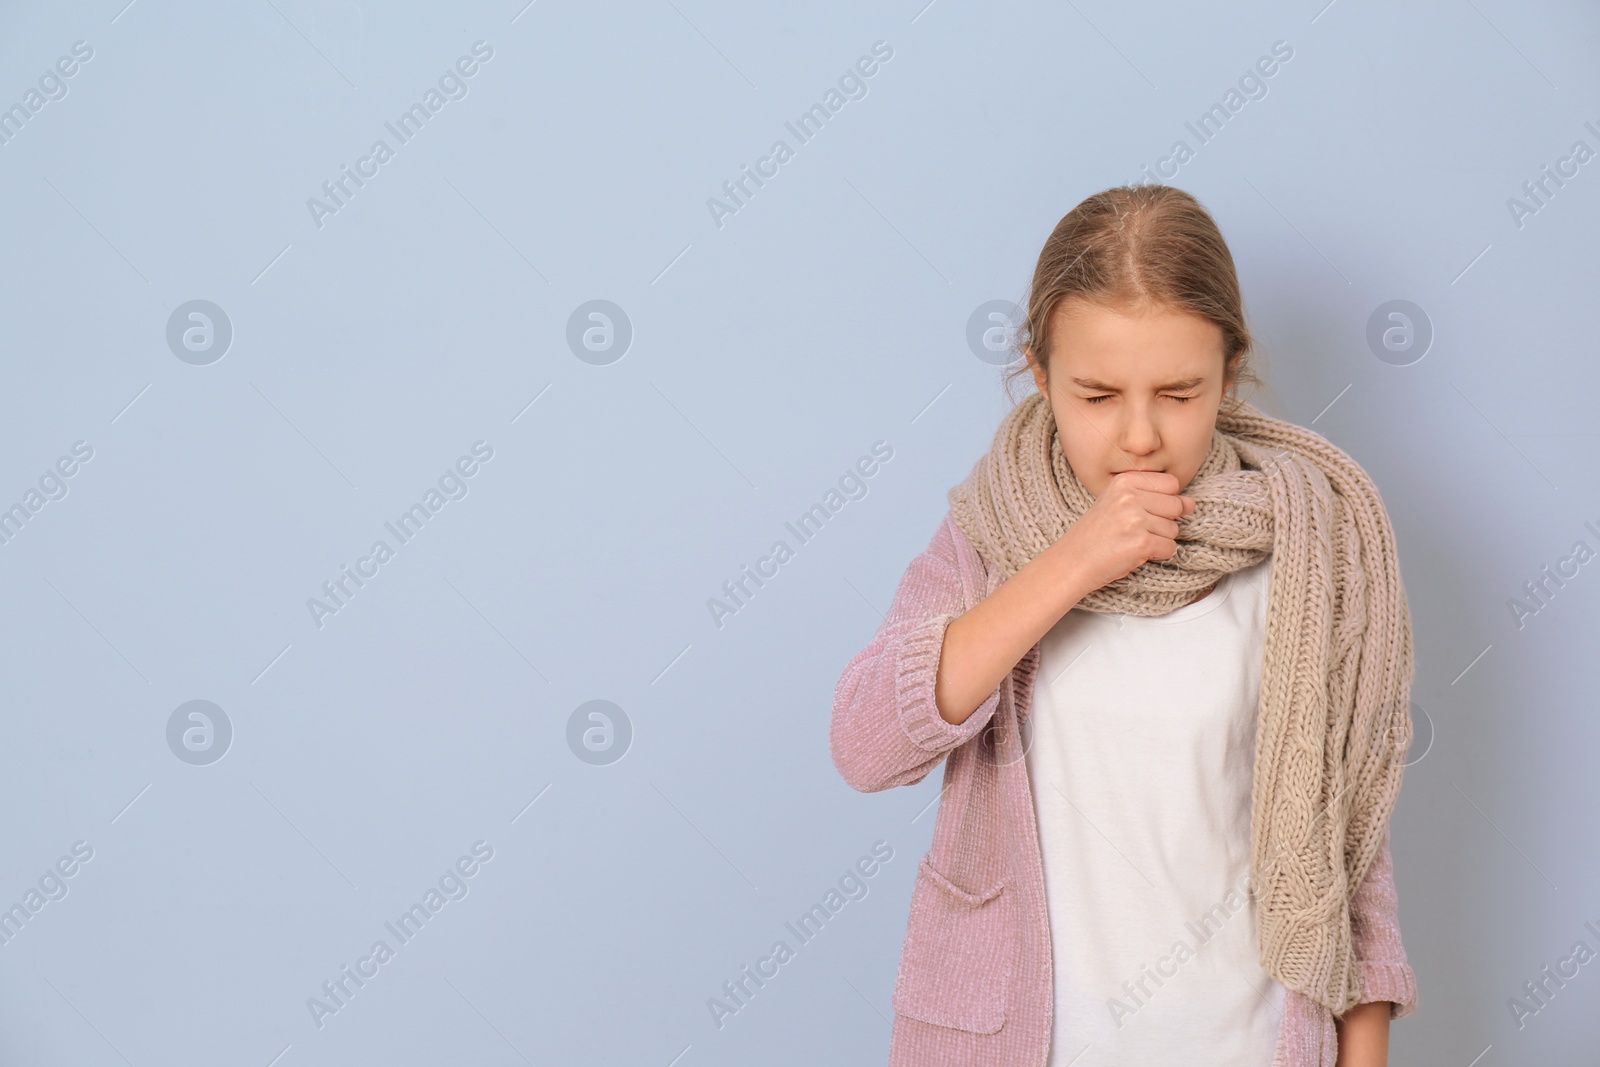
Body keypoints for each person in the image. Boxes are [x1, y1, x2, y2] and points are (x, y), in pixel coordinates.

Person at [829, 184, 1417, 1067]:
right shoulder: (993, 530)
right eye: (1098, 394)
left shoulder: (1306, 541)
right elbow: (866, 743)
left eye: (1178, 392)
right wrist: (1072, 562)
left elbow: (1351, 831)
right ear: (1039, 375)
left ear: (1230, 367)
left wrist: (1363, 1049)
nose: (1138, 436)